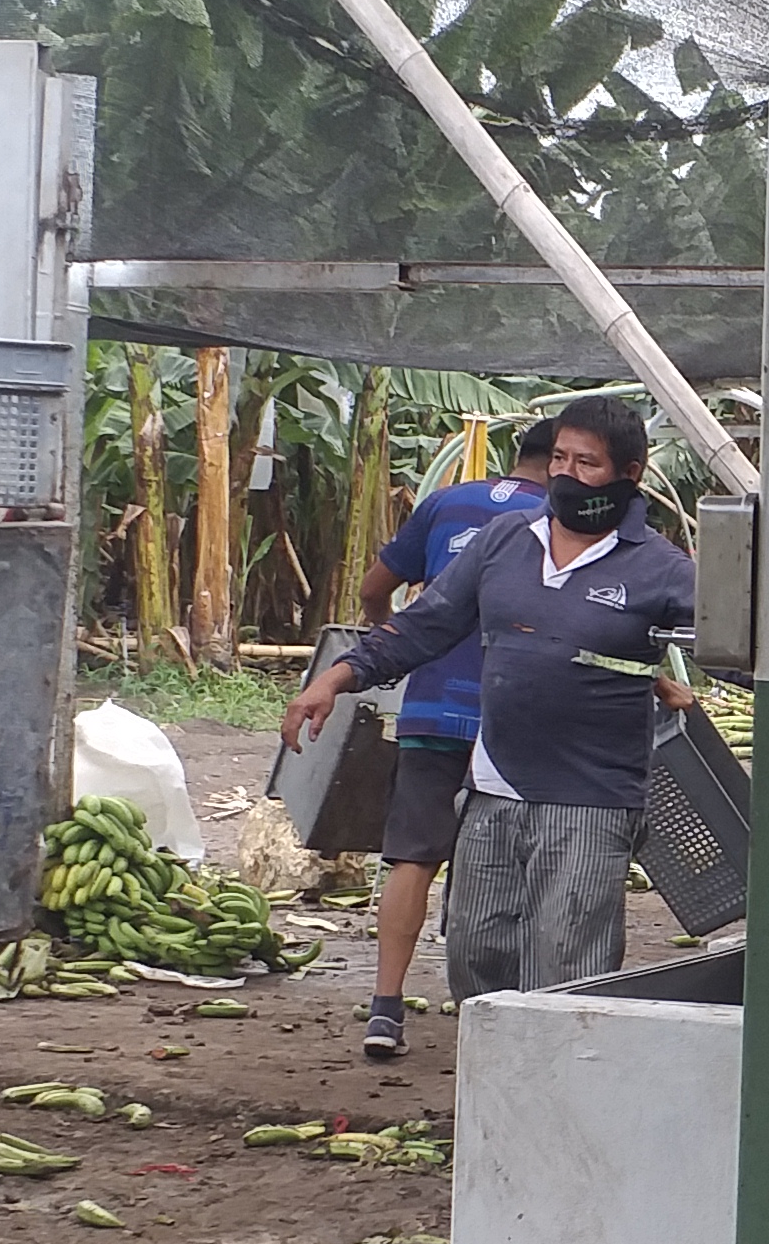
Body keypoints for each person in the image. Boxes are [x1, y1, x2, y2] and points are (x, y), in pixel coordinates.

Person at [279, 397, 694, 1000]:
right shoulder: (506, 539)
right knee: (477, 956)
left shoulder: (663, 569)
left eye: (587, 463)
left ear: (630, 474)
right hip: (493, 788)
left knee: (569, 966)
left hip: (592, 801)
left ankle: (560, 1066)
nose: (566, 474)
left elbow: (741, 649)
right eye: (559, 458)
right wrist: (336, 678)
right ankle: (492, 1063)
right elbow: (426, 623)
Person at [349, 415, 554, 1060]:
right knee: (511, 859)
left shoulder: (444, 502)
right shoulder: (559, 522)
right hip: (514, 714)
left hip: (433, 705)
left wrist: (391, 642)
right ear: (562, 462)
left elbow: (374, 591)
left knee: (414, 855)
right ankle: (503, 1006)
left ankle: (385, 1008)